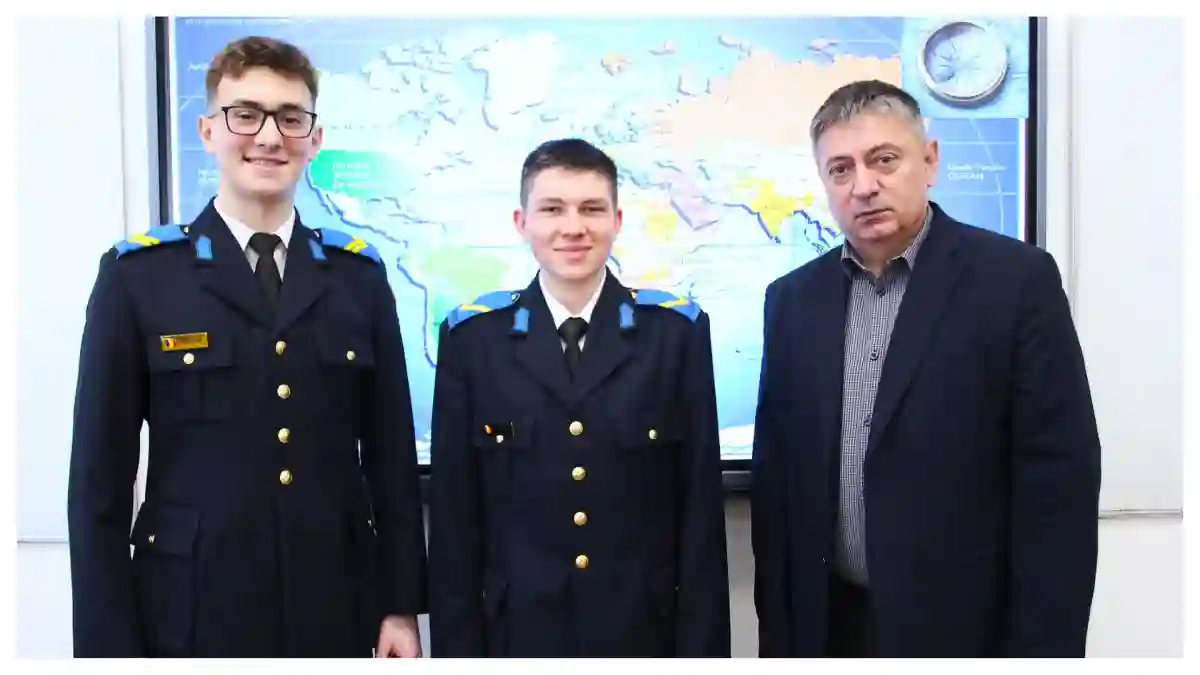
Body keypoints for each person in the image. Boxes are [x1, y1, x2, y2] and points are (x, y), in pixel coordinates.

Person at [67, 36, 428, 658]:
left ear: (314, 139)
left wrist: (399, 606)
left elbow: (390, 458)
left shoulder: (358, 278)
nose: (268, 136)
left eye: (290, 118)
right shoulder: (140, 278)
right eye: (246, 115)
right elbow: (98, 483)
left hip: (332, 605)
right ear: (208, 131)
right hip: (189, 610)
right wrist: (107, 649)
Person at [750, 80, 1102, 658]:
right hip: (828, 629)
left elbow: (1059, 488)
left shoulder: (1016, 283)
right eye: (840, 169)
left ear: (930, 161)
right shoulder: (791, 301)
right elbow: (776, 483)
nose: (864, 185)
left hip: (966, 634)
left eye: (884, 159)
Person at [425, 138, 731, 658]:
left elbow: (700, 517)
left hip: (642, 637)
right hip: (516, 639)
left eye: (591, 208)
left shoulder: (674, 336)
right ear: (522, 222)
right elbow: (455, 523)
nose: (573, 227)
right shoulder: (473, 341)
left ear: (617, 220)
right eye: (552, 209)